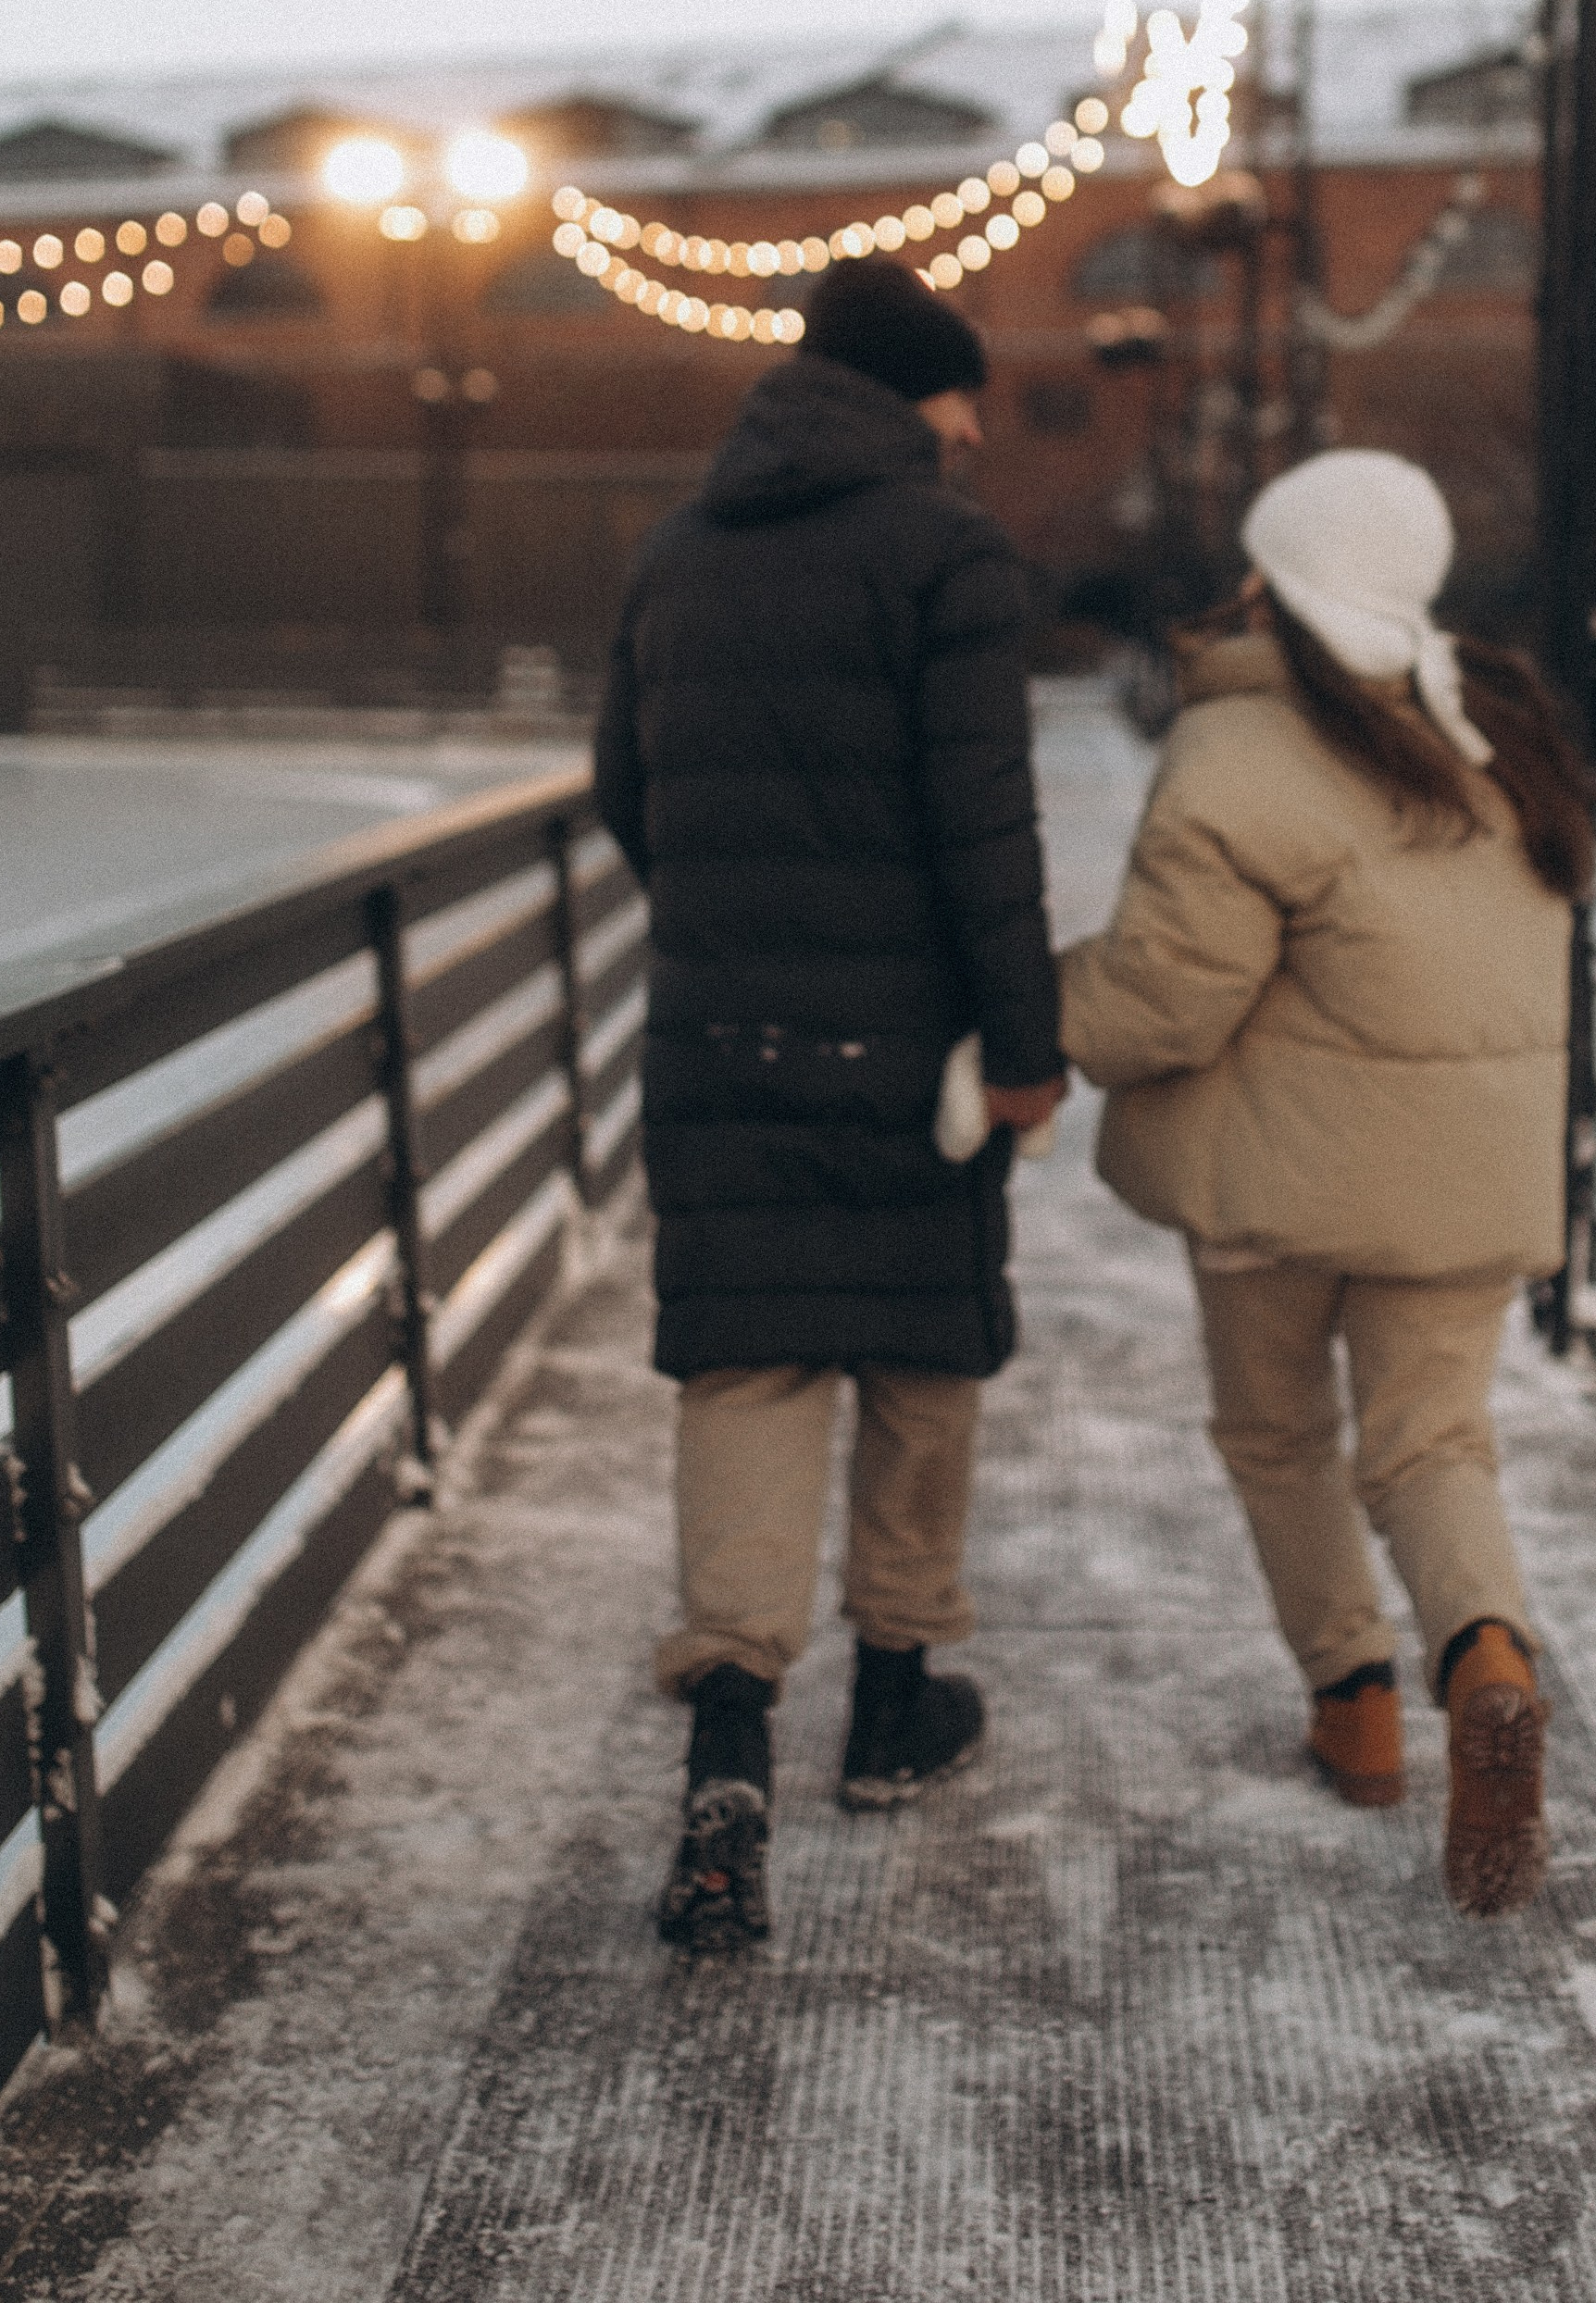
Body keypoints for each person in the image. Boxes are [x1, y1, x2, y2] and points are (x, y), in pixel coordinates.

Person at [594, 256, 1063, 1949]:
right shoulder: (947, 553)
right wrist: (1024, 1046)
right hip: (910, 1045)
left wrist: (738, 924)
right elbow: (984, 827)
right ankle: (892, 1705)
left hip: (722, 1038)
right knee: (921, 1358)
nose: (975, 429)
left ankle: (729, 1737)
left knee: (750, 1363)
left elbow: (627, 791)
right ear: (907, 396)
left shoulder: (678, 551)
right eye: (960, 397)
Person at [1056, 451, 1592, 1918]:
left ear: (1278, 583)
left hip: (1276, 1183)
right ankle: (1485, 1659)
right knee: (1434, 1446)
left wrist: (1028, 1019)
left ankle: (1354, 1705)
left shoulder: (1241, 750)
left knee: (1279, 1436)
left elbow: (1167, 999)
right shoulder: (1501, 734)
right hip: (1467, 1177)